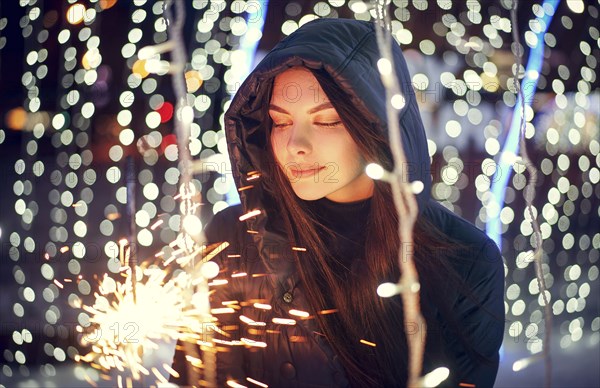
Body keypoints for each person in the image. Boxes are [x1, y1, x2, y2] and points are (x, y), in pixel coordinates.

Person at [171, 18, 505, 387]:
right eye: (279, 122)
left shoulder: (465, 260)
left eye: (327, 121)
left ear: (376, 125)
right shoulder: (234, 237)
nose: (295, 144)